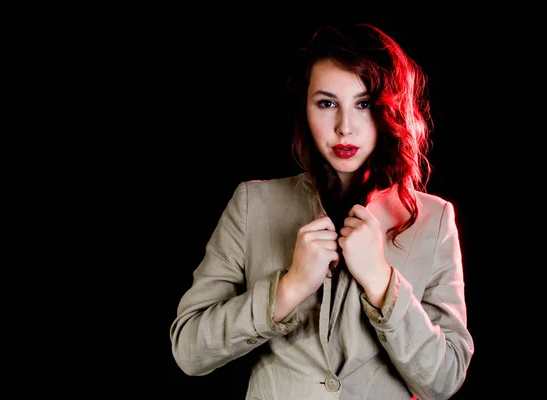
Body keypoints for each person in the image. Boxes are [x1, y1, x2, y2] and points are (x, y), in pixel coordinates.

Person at [169, 22, 474, 400]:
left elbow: (445, 381)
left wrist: (381, 283)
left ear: (388, 111)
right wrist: (290, 286)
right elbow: (189, 350)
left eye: (363, 104)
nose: (345, 127)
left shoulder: (434, 219)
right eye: (327, 103)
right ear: (305, 107)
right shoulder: (252, 205)